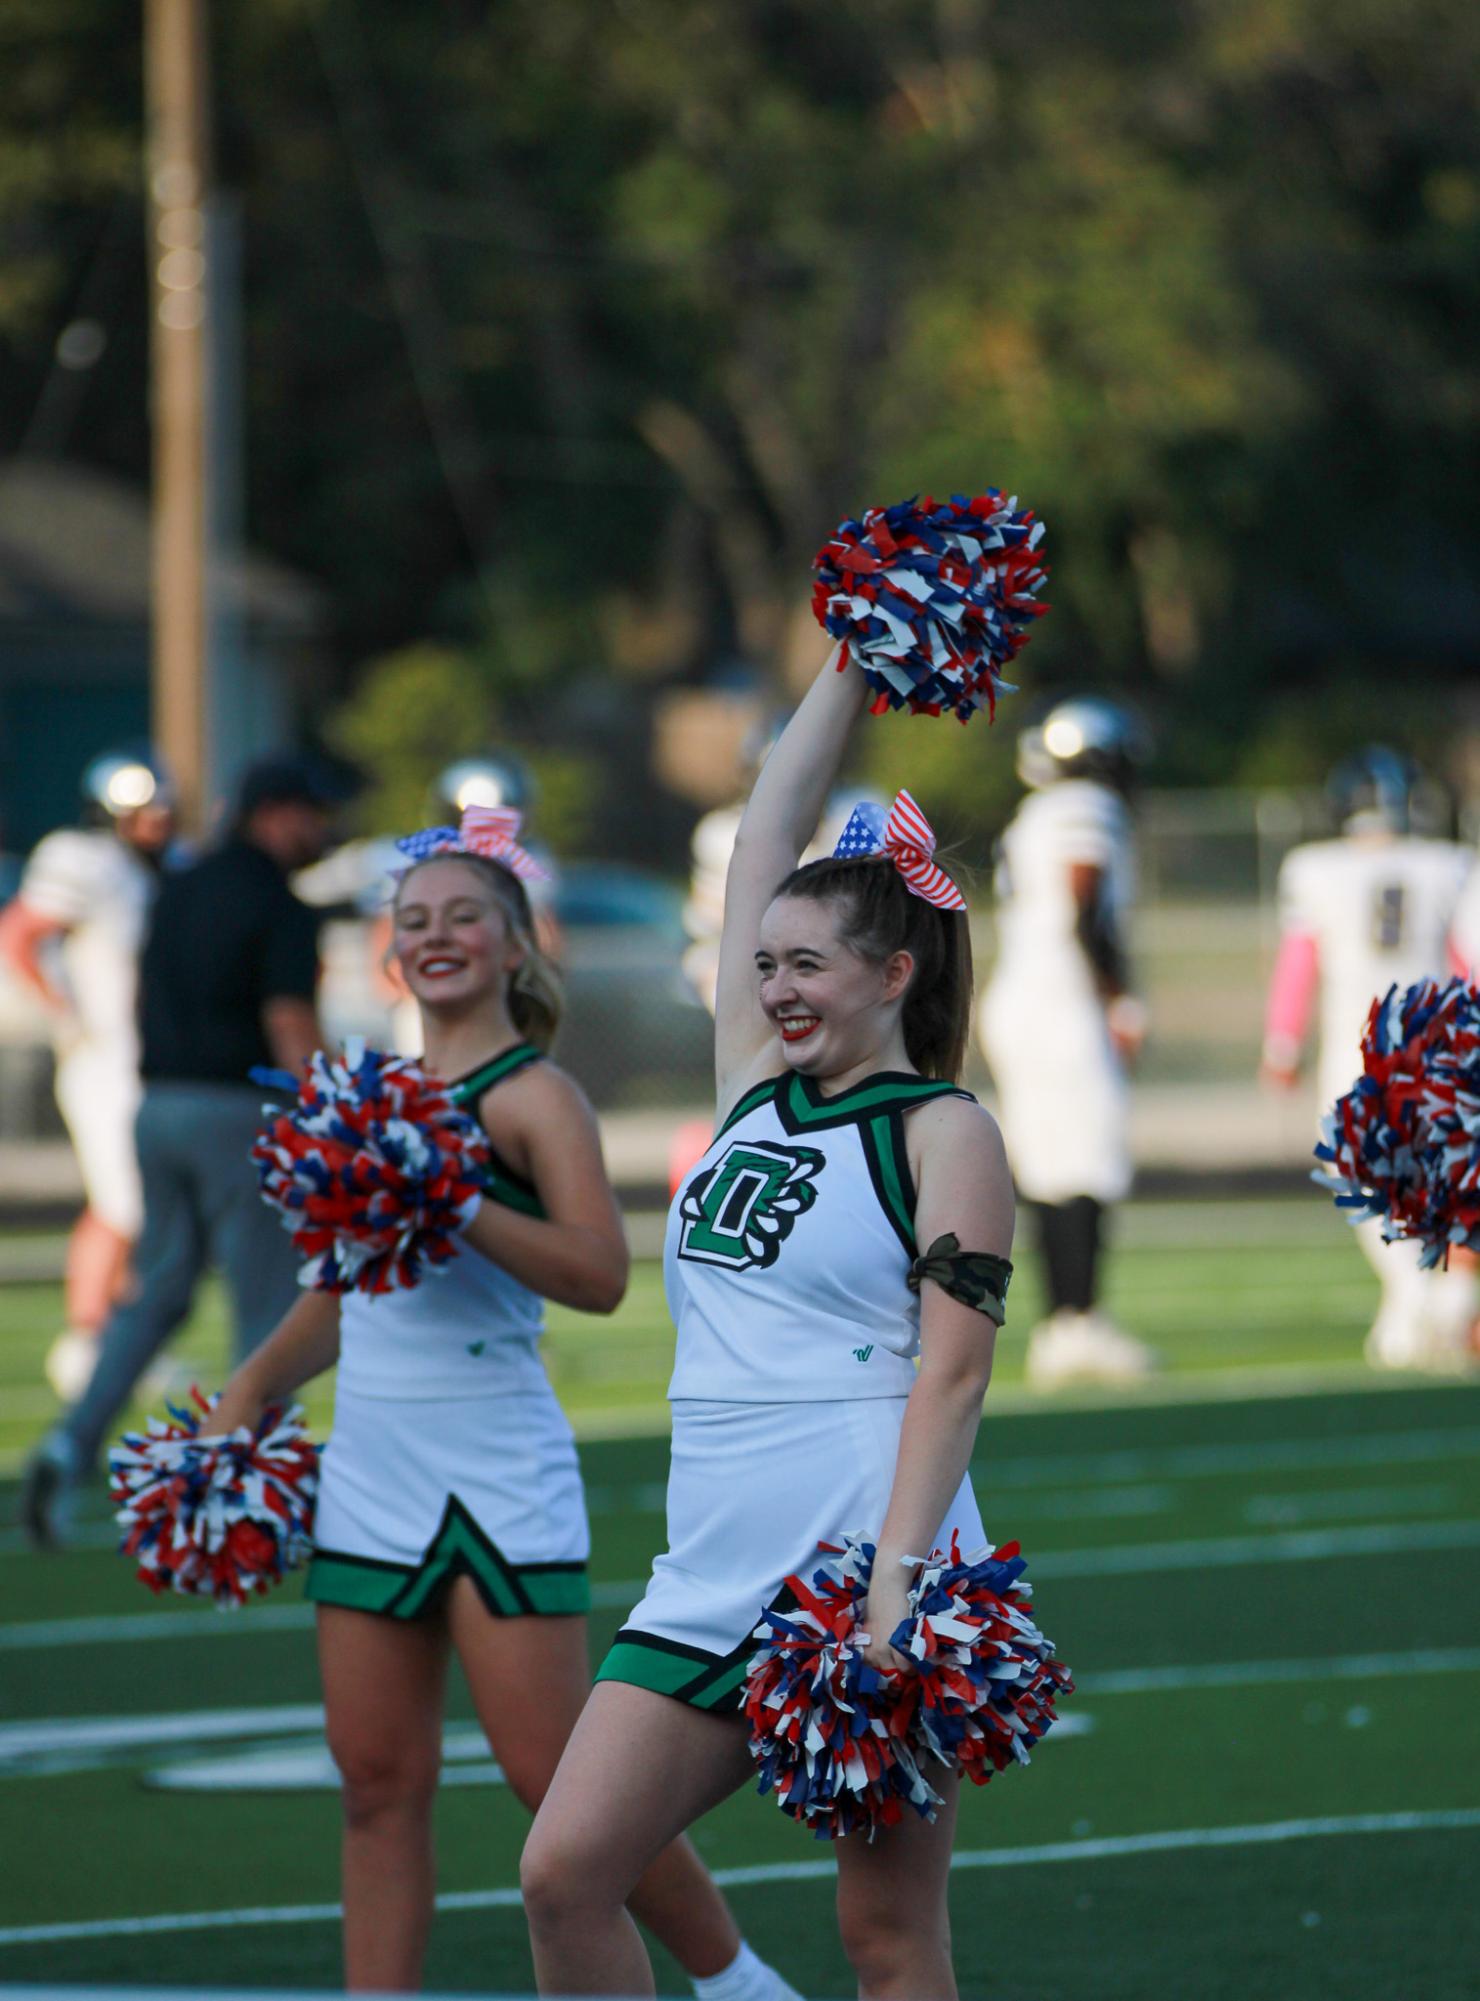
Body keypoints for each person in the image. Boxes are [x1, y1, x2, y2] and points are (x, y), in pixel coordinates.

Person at [198, 811, 794, 2000]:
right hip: (370, 1462)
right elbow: (340, 1293)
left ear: (516, 945)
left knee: (550, 1778)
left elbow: (599, 1274)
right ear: (386, 952)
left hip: (494, 1468)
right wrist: (253, 1389)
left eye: (465, 916)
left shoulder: (534, 1097)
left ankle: (738, 1984)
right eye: (412, 921)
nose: (436, 937)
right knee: (373, 1782)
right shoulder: (367, 1094)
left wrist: (453, 1193)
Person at [519, 646, 1016, 2000]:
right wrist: (859, 657)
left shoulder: (945, 1131)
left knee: (888, 1937)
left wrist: (899, 1587)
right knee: (563, 1874)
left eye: (807, 965)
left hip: (866, 1548)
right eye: (767, 965)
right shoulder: (753, 1084)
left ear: (895, 972)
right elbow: (768, 826)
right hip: (713, 1551)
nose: (778, 986)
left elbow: (954, 1380)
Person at [20, 754, 339, 1545]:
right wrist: (336, 1116)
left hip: (155, 1105)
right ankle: (255, 1495)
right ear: (276, 813)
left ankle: (73, 1438)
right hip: (239, 1109)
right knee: (267, 1311)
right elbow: (291, 1025)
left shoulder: (178, 884)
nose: (321, 831)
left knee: (156, 1290)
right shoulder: (280, 902)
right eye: (312, 813)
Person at [1262, 746, 1476, 1368]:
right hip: (1437, 1043)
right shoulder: (1450, 864)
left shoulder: (1315, 868)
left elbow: (1298, 963)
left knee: (1362, 1181)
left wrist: (1281, 1043)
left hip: (1358, 1047)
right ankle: (1426, 1305)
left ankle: (1419, 1301)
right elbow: (1468, 962)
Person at [977, 697, 1154, 1388]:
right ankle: (1081, 1321)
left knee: (1051, 1173)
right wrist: (1120, 997)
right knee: (1086, 1163)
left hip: (1023, 998)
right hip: (1063, 1001)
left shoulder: (1031, 813)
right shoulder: (1085, 807)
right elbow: (1084, 903)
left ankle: (1061, 1326)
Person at [0, 750, 177, 1400]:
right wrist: (64, 1013)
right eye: (143, 809)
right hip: (103, 1062)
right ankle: (85, 1340)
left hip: (141, 1060)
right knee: (122, 1204)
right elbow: (18, 932)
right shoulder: (82, 857)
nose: (157, 821)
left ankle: (116, 1340)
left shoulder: (148, 870)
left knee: (141, 1206)